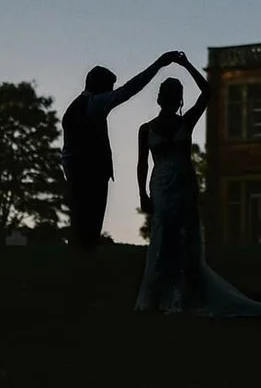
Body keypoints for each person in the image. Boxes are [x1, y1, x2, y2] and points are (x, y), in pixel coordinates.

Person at [134, 54, 261, 318]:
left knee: (184, 239)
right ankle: (158, 297)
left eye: (174, 94)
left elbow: (207, 92)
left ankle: (182, 298)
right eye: (169, 93)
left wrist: (186, 65)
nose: (172, 98)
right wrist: (142, 193)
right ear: (163, 98)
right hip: (161, 184)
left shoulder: (187, 121)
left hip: (184, 183)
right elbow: (142, 163)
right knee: (163, 237)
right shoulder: (146, 129)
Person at [62, 50, 183, 254]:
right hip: (90, 171)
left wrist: (69, 166)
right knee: (90, 222)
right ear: (101, 86)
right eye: (109, 88)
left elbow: (68, 146)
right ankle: (84, 259)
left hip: (76, 169)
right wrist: (158, 64)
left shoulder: (76, 106)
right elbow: (129, 90)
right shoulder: (95, 103)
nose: (111, 92)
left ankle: (80, 258)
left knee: (79, 219)